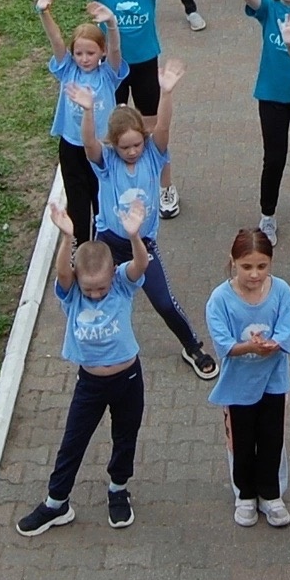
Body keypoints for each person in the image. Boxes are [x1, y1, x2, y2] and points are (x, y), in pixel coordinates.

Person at [19, 201, 155, 536]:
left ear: (113, 276)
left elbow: (141, 264)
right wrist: (68, 237)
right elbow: (63, 272)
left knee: (125, 435)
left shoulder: (122, 284)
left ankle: (118, 488)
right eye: (88, 288)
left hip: (129, 378)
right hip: (90, 384)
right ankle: (56, 502)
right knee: (73, 441)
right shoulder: (73, 293)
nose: (94, 295)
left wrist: (135, 235)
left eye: (101, 288)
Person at [77, 58, 216, 376]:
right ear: (113, 145)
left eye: (137, 144)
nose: (132, 151)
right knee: (101, 299)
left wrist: (166, 93)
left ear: (144, 138)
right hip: (109, 245)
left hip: (143, 245)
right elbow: (88, 143)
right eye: (124, 146)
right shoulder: (106, 163)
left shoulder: (154, 155)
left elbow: (164, 127)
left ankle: (192, 346)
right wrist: (87, 111)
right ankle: (99, 352)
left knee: (164, 302)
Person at [207, 228, 290, 528]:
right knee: (243, 442)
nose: (254, 274)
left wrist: (276, 343)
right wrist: (249, 347)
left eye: (262, 266)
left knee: (272, 438)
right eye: (247, 266)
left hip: (274, 382)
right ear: (233, 262)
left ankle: (272, 495)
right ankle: (245, 495)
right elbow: (223, 343)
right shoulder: (220, 299)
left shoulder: (282, 292)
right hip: (237, 387)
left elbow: (289, 323)